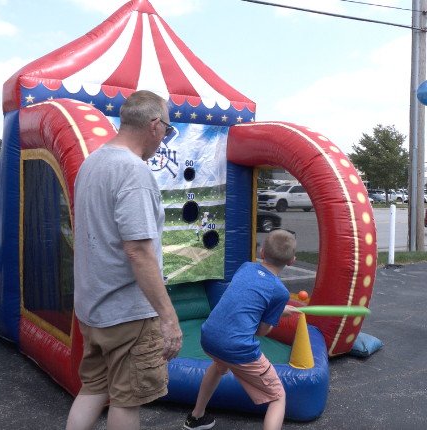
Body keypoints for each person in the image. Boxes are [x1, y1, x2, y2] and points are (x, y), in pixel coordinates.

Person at [66, 90, 183, 430]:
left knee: (93, 389)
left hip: (93, 308)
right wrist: (169, 318)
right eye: (168, 129)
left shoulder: (93, 162)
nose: (165, 137)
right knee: (127, 399)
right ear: (154, 126)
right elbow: (138, 252)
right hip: (128, 314)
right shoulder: (134, 172)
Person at [184, 229, 299, 430]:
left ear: (262, 253)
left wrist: (277, 311)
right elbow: (262, 331)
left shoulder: (246, 267)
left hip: (209, 336)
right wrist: (277, 313)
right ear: (291, 261)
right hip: (237, 347)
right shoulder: (279, 291)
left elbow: (247, 302)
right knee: (278, 397)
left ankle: (196, 417)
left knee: (219, 365)